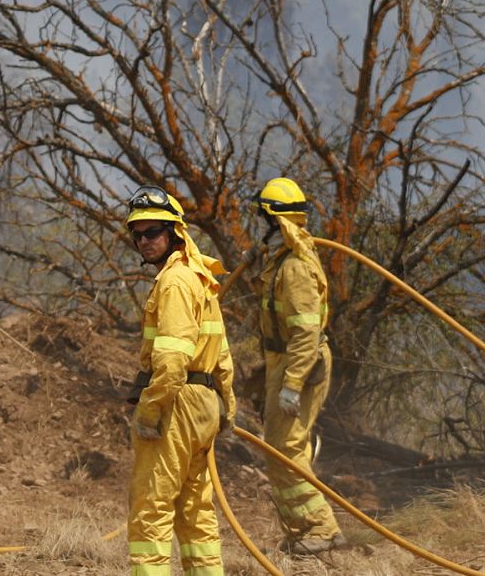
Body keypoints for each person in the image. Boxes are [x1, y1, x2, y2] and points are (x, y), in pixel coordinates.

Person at [125, 185, 234, 576]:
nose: (144, 240)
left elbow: (171, 362)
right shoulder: (198, 276)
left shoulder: (173, 282)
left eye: (152, 231)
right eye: (137, 234)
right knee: (195, 509)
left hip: (177, 402)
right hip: (203, 403)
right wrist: (226, 404)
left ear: (173, 232)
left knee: (151, 507)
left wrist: (150, 410)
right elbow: (221, 352)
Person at [255, 177, 344, 555]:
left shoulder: (294, 267)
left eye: (263, 219)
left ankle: (319, 528)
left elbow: (306, 332)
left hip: (298, 362)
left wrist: (292, 384)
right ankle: (304, 531)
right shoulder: (284, 260)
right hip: (286, 359)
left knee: (285, 450)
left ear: (275, 220)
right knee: (286, 448)